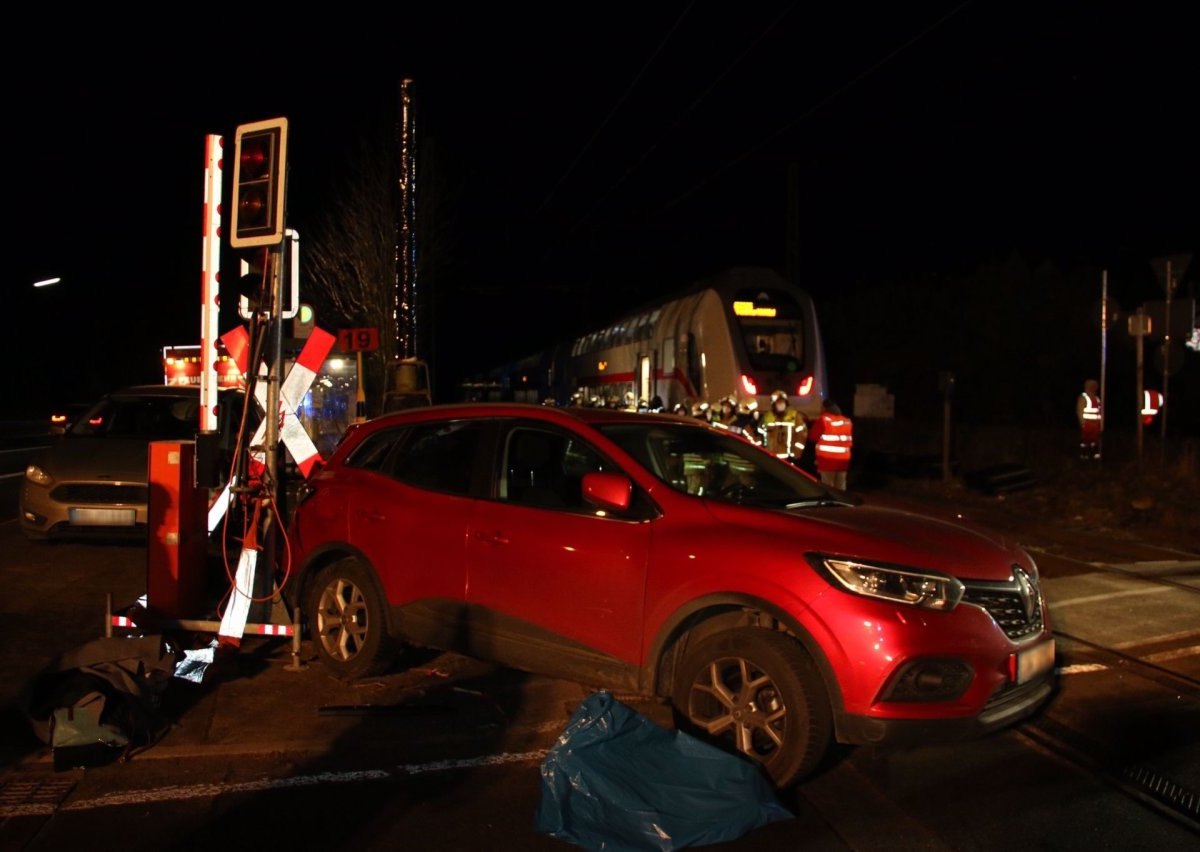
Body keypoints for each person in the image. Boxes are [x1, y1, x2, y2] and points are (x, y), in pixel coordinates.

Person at [812, 398, 853, 489]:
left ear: (824, 408)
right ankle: (842, 502)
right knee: (841, 486)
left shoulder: (823, 420)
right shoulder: (847, 421)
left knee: (828, 487)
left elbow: (813, 436)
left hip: (827, 459)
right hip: (843, 460)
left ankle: (830, 503)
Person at [759, 390, 806, 462]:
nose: (781, 405)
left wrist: (796, 454)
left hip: (788, 459)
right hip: (770, 458)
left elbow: (801, 437)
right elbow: (761, 435)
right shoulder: (767, 417)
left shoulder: (795, 416)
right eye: (778, 403)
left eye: (782, 402)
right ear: (773, 404)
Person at [1076, 379, 1102, 460]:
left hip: (1096, 425)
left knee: (1095, 442)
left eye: (1095, 386)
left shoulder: (1096, 398)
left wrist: (1100, 422)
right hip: (1087, 424)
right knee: (1086, 442)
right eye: (1092, 386)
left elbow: (1099, 411)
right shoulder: (1084, 397)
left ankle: (1095, 457)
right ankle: (1084, 457)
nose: (1094, 388)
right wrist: (1083, 423)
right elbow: (1079, 411)